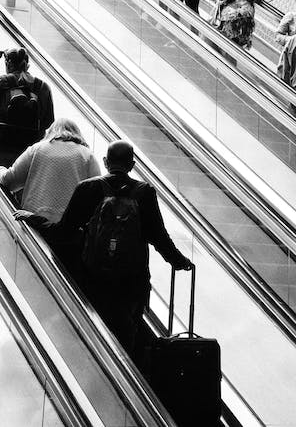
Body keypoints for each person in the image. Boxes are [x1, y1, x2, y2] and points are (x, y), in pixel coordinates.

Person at [24, 140, 192, 359]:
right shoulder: (145, 193)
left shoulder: (88, 188)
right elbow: (159, 237)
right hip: (132, 283)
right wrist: (179, 261)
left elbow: (62, 232)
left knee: (93, 331)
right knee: (126, 339)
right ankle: (124, 380)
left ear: (105, 161)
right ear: (132, 165)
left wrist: (33, 218)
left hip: (94, 280)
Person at [1, 117, 99, 220]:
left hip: (35, 219)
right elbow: (96, 193)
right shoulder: (87, 155)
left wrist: (1, 171)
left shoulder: (37, 149)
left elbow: (10, 180)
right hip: (69, 223)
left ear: (51, 131)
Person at [0, 47, 54, 166]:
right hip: (30, 153)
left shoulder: (1, 82)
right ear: (27, 65)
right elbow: (48, 122)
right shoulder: (43, 87)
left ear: (8, 64)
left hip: (3, 149)